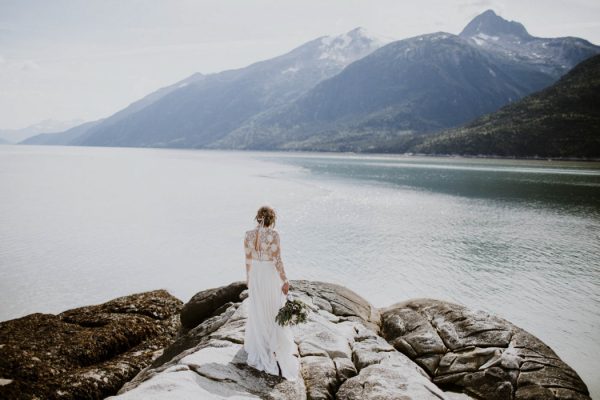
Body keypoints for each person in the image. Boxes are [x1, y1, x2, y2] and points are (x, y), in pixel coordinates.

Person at [242, 206, 300, 381]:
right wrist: (285, 280)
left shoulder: (248, 234)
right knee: (273, 309)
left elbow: (247, 260)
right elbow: (277, 260)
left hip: (256, 275)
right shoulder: (274, 235)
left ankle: (261, 344)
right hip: (269, 275)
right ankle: (273, 345)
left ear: (257, 217)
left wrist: (248, 279)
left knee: (259, 310)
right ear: (272, 219)